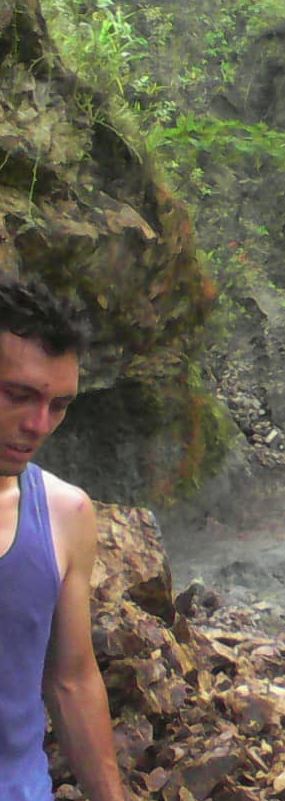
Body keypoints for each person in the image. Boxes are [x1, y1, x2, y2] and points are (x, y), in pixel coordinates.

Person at [0, 277, 125, 801]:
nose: (39, 424)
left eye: (60, 405)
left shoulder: (64, 514)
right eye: (17, 395)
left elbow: (71, 680)